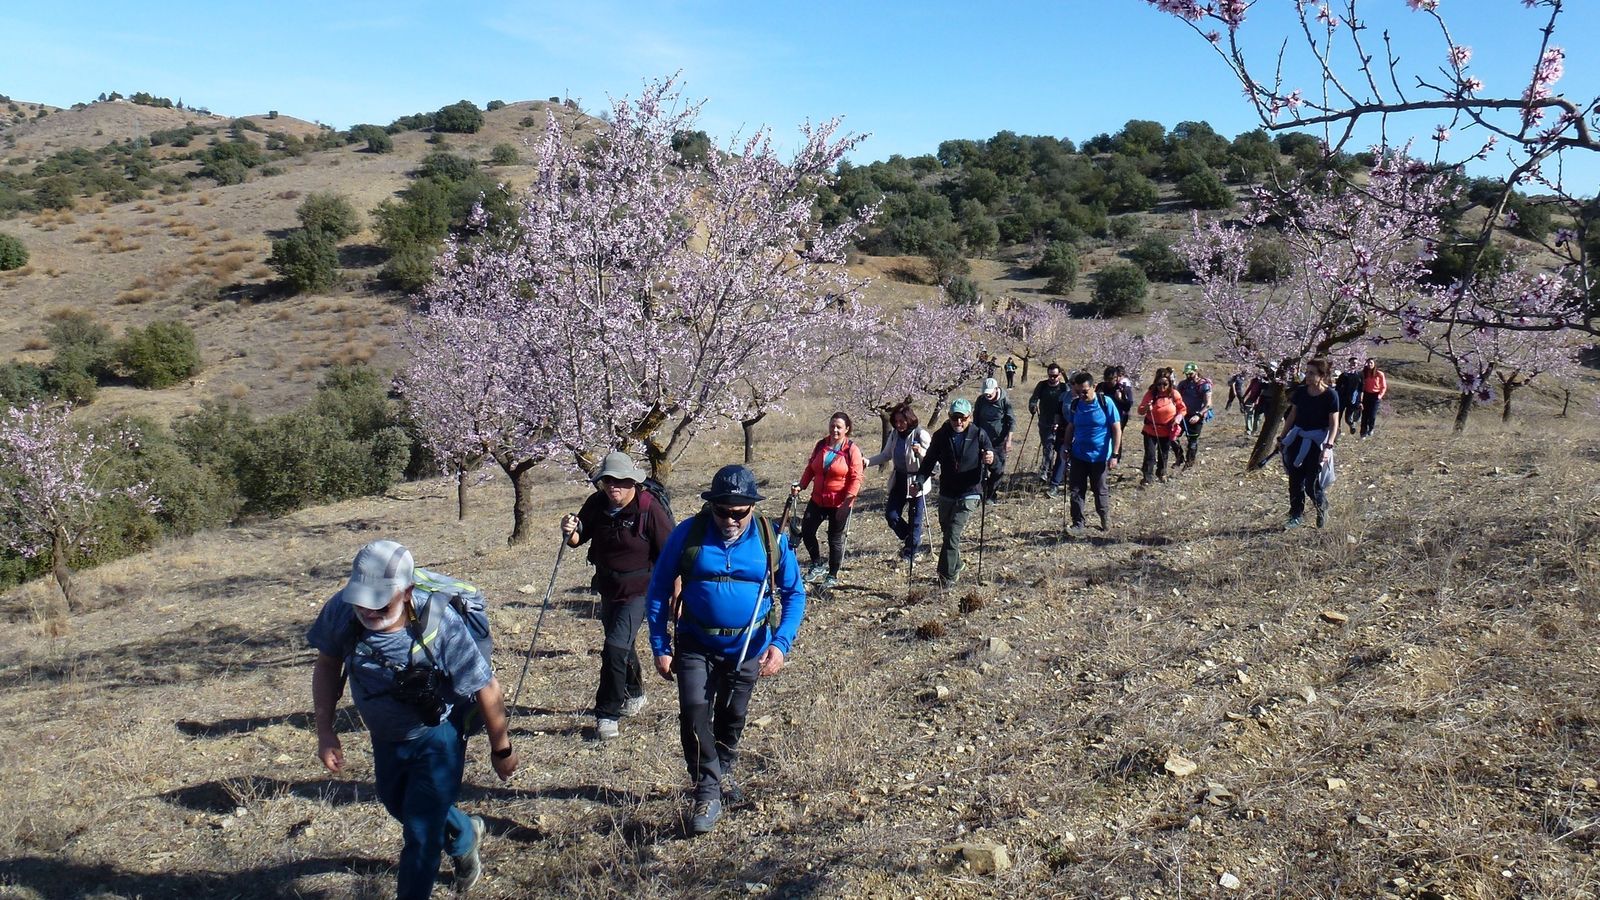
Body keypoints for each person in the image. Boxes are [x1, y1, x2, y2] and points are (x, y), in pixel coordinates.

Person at [309, 540, 517, 899]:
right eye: (362, 599)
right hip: (386, 737)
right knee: (396, 804)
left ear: (406, 593)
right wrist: (325, 732)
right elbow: (328, 665)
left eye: (379, 601)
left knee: (420, 835)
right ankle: (465, 833)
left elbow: (486, 687)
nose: (368, 609)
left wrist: (501, 748)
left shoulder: (440, 624)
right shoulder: (341, 612)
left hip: (438, 737)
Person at [646, 465, 806, 835]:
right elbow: (657, 590)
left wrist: (781, 643)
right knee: (694, 715)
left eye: (739, 512)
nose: (730, 519)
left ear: (752, 507)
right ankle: (707, 791)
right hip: (695, 643)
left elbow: (794, 593)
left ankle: (724, 769)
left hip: (750, 645)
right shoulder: (689, 534)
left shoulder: (772, 540)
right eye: (722, 511)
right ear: (711, 506)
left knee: (732, 715)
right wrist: (660, 644)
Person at [560, 452, 673, 742]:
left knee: (613, 646)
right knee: (622, 646)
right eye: (608, 481)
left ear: (633, 482)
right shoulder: (597, 504)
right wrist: (570, 530)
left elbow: (671, 553)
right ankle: (635, 692)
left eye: (621, 482)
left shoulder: (649, 508)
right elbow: (577, 539)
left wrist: (677, 591)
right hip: (608, 587)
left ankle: (607, 714)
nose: (614, 487)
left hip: (639, 591)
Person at [910, 398, 995, 588]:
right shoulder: (941, 435)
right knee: (947, 532)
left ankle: (945, 577)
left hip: (970, 491)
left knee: (952, 534)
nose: (959, 422)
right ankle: (957, 564)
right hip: (947, 491)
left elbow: (994, 463)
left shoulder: (979, 434)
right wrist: (919, 481)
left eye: (963, 418)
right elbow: (929, 461)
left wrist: (991, 459)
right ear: (949, 417)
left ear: (970, 417)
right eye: (955, 418)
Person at [792, 412, 864, 591]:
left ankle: (832, 574)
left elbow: (856, 477)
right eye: (832, 426)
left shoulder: (851, 450)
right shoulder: (821, 445)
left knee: (834, 538)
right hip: (817, 499)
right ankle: (817, 564)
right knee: (807, 531)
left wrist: (848, 501)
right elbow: (811, 468)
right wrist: (801, 485)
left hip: (839, 502)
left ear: (847, 429)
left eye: (839, 426)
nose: (835, 430)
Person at [1050, 371, 1123, 535]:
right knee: (1076, 489)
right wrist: (1066, 445)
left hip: (1100, 456)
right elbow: (1071, 426)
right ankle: (1078, 523)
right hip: (1079, 455)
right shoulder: (1076, 405)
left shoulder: (1106, 403)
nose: (1081, 395)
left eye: (1084, 391)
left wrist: (1115, 455)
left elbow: (1116, 429)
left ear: (1094, 387)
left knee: (1100, 490)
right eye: (1078, 391)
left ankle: (1105, 519)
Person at [1277, 358, 1341, 528]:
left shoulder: (1330, 395)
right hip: (1298, 439)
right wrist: (1282, 437)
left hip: (1317, 442)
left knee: (1311, 483)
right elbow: (1292, 416)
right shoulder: (1301, 392)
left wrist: (1328, 447)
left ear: (1322, 376)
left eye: (1312, 373)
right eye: (1307, 372)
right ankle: (1295, 515)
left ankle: (1321, 507)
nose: (1308, 376)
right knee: (1295, 480)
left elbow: (1334, 424)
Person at [865, 401, 932, 561]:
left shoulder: (920, 434)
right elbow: (886, 455)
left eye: (902, 421)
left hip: (917, 480)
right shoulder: (894, 434)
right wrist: (867, 462)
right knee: (891, 515)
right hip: (899, 479)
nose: (899, 425)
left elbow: (932, 460)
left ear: (910, 419)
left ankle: (911, 552)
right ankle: (911, 539)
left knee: (915, 518)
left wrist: (921, 452)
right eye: (896, 422)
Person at [1137, 367, 1187, 485]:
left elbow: (1182, 409)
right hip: (1150, 430)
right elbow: (1140, 410)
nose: (1161, 387)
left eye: (1165, 383)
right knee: (1150, 455)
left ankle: (1161, 473)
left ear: (1169, 383)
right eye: (1159, 384)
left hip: (1167, 430)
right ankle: (1147, 478)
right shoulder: (1151, 394)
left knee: (1163, 453)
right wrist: (1146, 408)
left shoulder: (1174, 394)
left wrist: (1178, 418)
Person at [972, 377, 1014, 503]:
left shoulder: (1004, 401)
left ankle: (991, 493)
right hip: (983, 440)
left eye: (990, 393)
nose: (987, 395)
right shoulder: (980, 400)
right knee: (980, 470)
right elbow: (976, 419)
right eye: (985, 393)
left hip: (999, 442)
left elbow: (1011, 421)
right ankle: (980, 494)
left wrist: (1009, 440)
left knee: (998, 470)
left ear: (996, 389)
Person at [1028, 363, 1069, 481]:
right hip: (1045, 422)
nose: (1052, 378)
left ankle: (1057, 472)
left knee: (1059, 448)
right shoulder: (1042, 385)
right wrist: (1032, 406)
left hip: (1061, 423)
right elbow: (1034, 399)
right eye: (1050, 376)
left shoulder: (1063, 388)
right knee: (1048, 447)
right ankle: (1045, 471)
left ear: (1060, 375)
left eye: (1055, 376)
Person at [1176, 362, 1213, 466]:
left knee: (1192, 442)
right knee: (1173, 437)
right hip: (1182, 416)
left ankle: (1189, 463)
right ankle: (1179, 458)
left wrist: (1199, 415)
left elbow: (1208, 404)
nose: (1188, 376)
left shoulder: (1204, 385)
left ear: (1196, 372)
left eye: (1190, 374)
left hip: (1196, 416)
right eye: (1186, 374)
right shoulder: (1183, 384)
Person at [1334, 357, 1364, 435]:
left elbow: (1361, 390)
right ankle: (1337, 432)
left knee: (1348, 417)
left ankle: (1351, 425)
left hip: (1353, 399)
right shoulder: (1343, 374)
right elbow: (1337, 387)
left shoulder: (1360, 375)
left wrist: (1360, 401)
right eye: (1352, 362)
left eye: (1356, 363)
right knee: (1338, 416)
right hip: (1342, 398)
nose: (1354, 364)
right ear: (1349, 363)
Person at [1359, 358, 1387, 439]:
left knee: (1372, 415)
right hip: (1366, 395)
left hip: (1375, 396)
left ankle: (1371, 428)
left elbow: (1383, 386)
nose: (1369, 364)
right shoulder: (1363, 373)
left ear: (1374, 364)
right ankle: (1363, 433)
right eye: (1367, 363)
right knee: (1364, 415)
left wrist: (1380, 396)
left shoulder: (1379, 374)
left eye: (1371, 363)